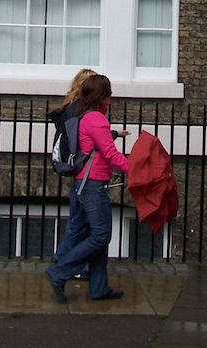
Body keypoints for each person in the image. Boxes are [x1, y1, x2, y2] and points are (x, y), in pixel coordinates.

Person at [45, 73, 129, 302]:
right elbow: (110, 153)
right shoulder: (97, 119)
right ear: (102, 96)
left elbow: (99, 145)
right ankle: (59, 272)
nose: (111, 96)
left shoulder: (87, 117)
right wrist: (135, 170)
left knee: (96, 234)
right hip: (92, 185)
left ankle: (100, 288)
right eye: (108, 92)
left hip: (84, 183)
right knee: (101, 236)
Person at [48, 68, 97, 271]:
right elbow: (86, 138)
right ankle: (63, 263)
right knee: (78, 222)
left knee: (80, 221)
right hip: (83, 171)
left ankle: (65, 261)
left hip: (77, 169)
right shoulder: (79, 111)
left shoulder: (69, 107)